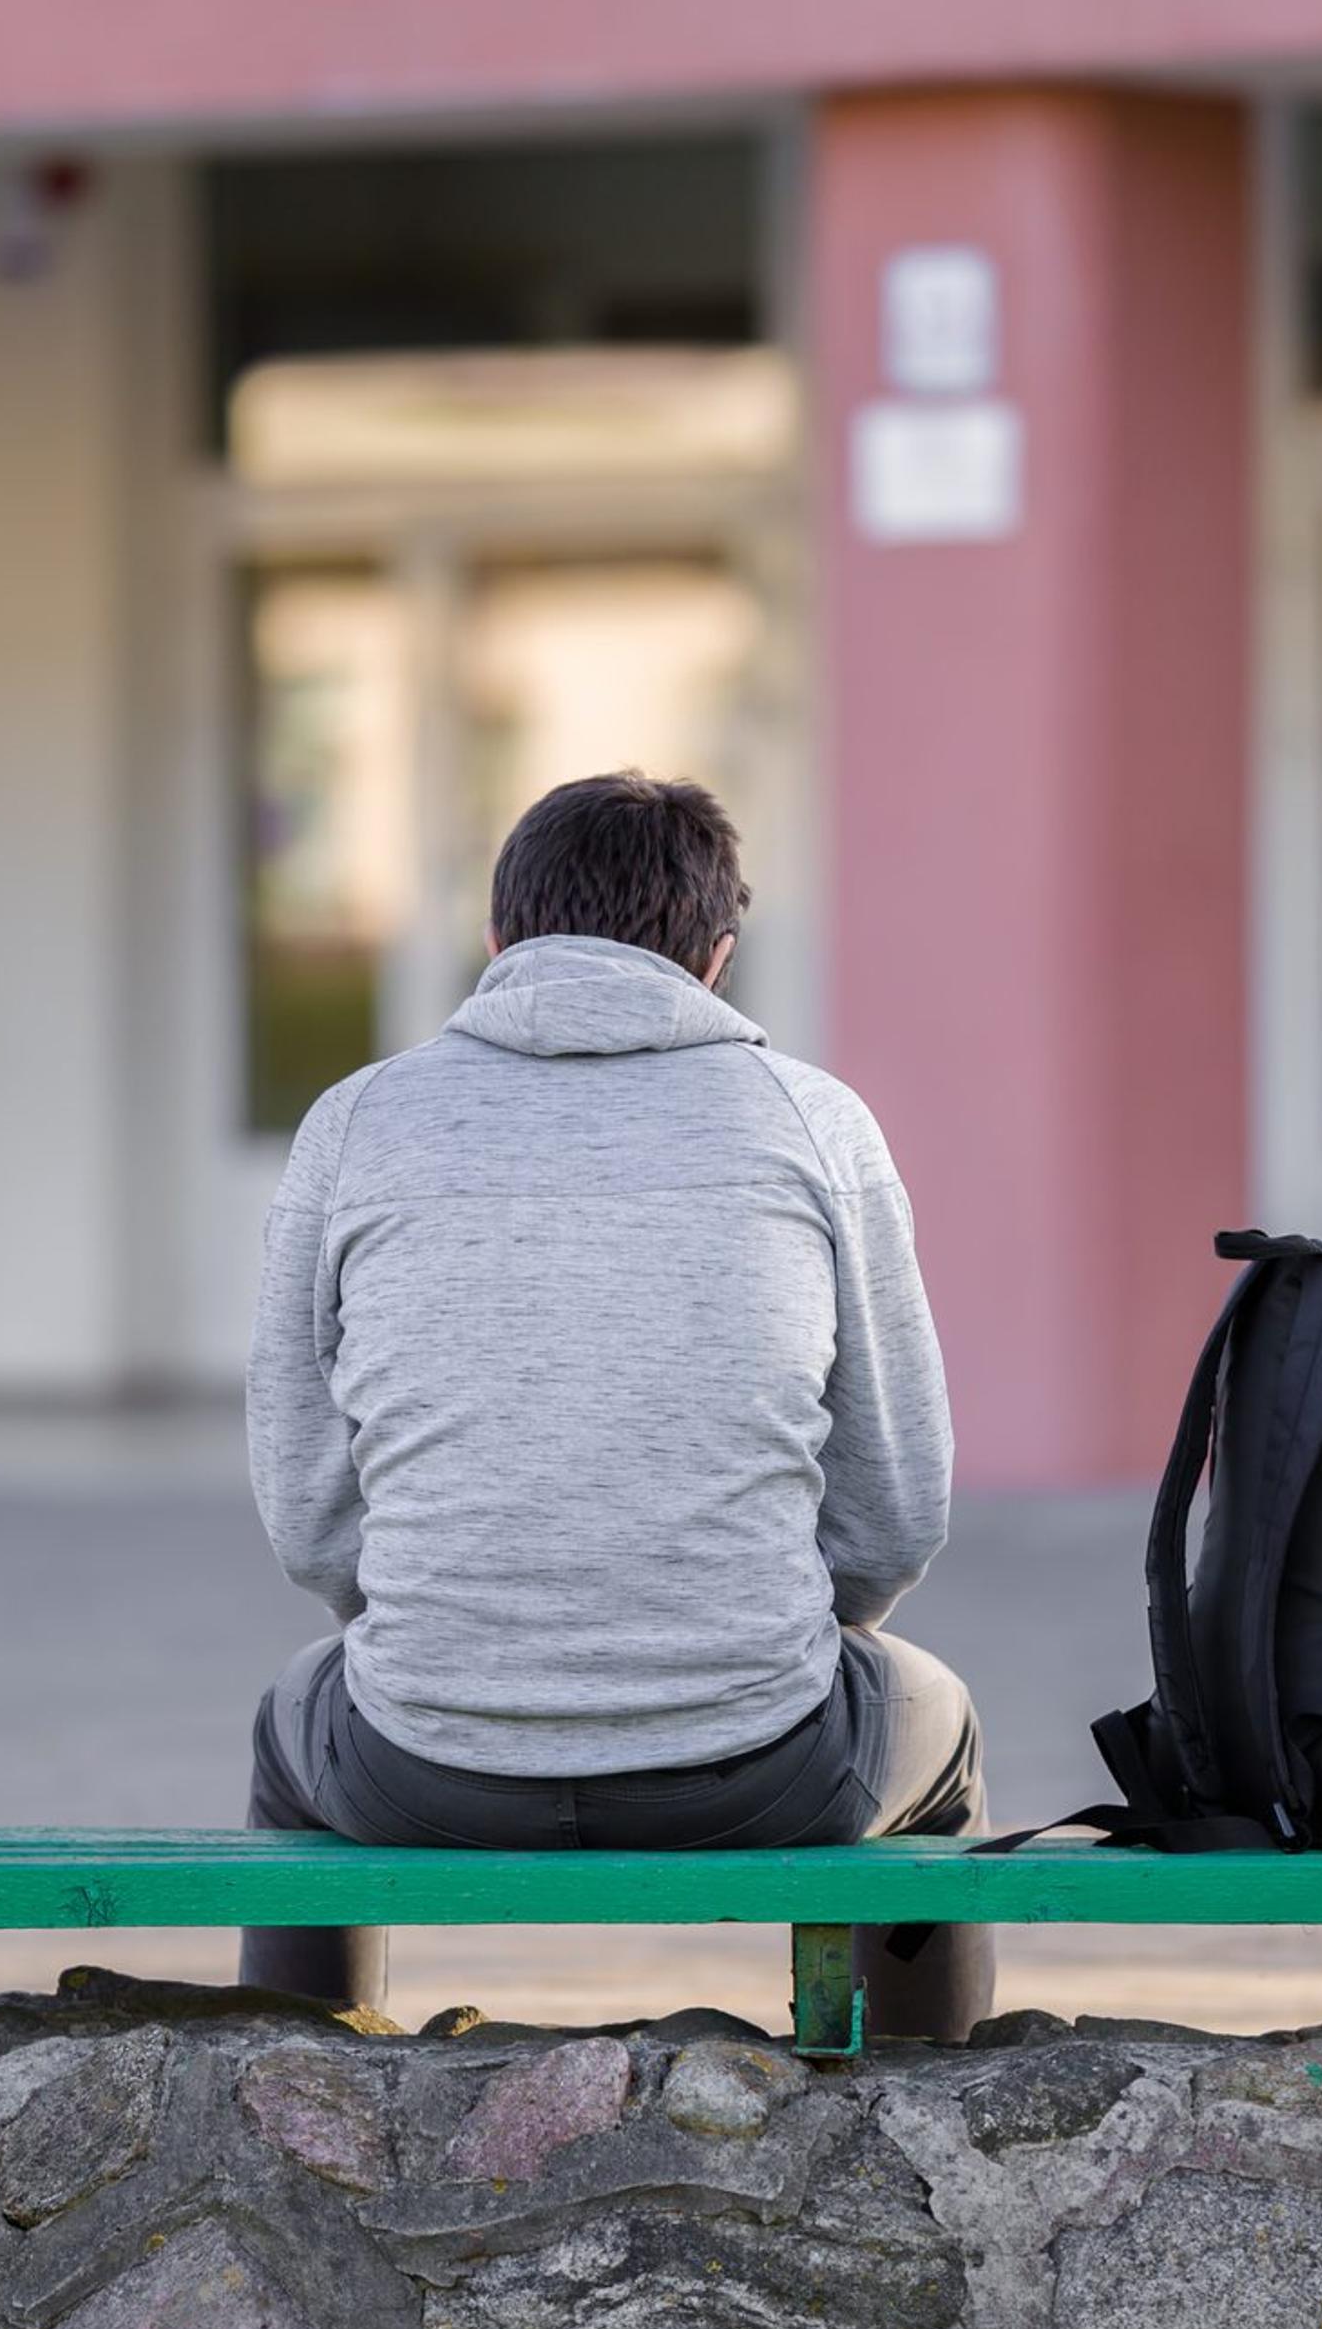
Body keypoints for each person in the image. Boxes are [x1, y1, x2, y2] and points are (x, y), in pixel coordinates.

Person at [238, 770, 991, 2040]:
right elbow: (897, 1512)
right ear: (717, 956)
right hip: (764, 1764)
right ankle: (922, 2116)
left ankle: (306, 2104)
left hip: (421, 1768)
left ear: (498, 943)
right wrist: (772, 1635)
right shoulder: (812, 1123)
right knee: (945, 1728)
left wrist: (465, 1638)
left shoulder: (356, 1122)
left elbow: (311, 1516)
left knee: (289, 1724)